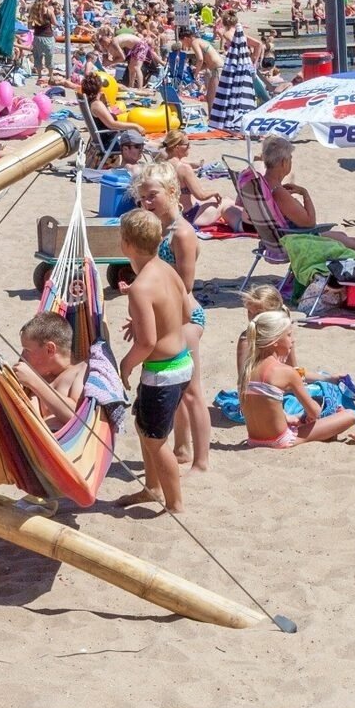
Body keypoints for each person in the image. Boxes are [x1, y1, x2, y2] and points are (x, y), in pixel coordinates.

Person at [134, 162, 210, 473]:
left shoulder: (181, 233)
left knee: (191, 391)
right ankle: (181, 448)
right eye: (142, 199)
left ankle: (202, 460)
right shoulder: (156, 231)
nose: (147, 203)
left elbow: (185, 285)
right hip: (167, 316)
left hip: (186, 317)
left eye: (152, 196)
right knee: (175, 388)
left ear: (172, 192)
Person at [117, 209, 196, 511]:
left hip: (162, 373)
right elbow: (186, 314)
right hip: (182, 363)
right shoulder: (167, 269)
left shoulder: (140, 288)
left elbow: (147, 342)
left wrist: (126, 365)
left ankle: (174, 503)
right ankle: (151, 488)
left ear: (125, 244)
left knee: (155, 441)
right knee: (145, 427)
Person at [236, 309, 355, 446]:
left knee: (298, 418)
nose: (293, 340)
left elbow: (262, 406)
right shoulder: (287, 372)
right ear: (275, 341)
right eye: (288, 335)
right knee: (349, 415)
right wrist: (314, 410)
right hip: (281, 440)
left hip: (253, 440)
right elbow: (314, 412)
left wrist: (288, 417)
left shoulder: (247, 370)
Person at [9, 310, 87, 428]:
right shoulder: (42, 374)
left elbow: (76, 417)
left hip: (63, 443)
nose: (22, 356)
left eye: (27, 350)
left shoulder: (81, 370)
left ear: (50, 349)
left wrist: (34, 381)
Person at [257, 136, 318, 229]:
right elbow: (310, 223)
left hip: (270, 236)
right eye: (290, 158)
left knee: (341, 235)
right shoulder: (278, 191)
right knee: (344, 238)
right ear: (284, 162)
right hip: (291, 238)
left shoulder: (260, 183)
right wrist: (305, 193)